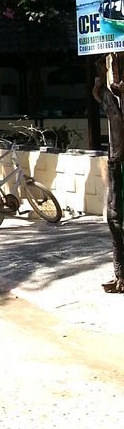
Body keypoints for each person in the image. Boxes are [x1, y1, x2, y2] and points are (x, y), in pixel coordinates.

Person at [93, 57, 124, 293]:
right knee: (114, 218)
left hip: (117, 162)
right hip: (116, 162)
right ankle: (120, 273)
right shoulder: (109, 100)